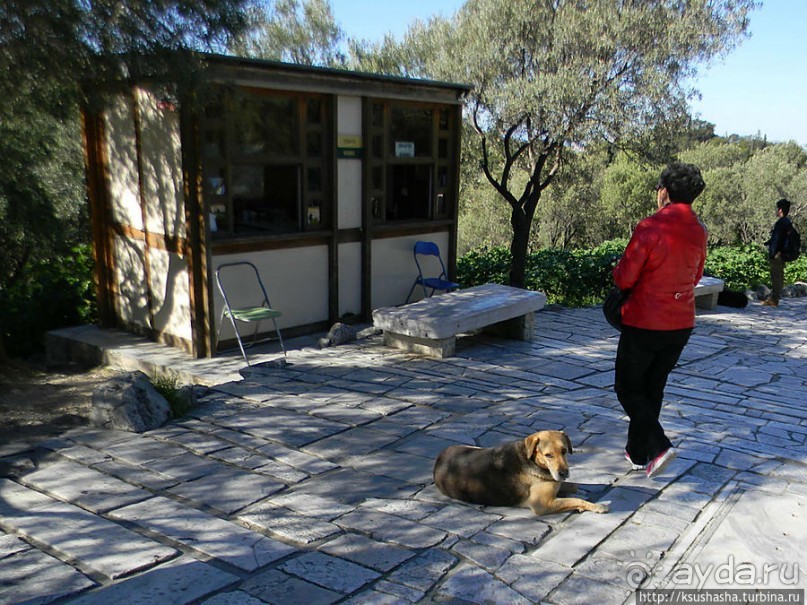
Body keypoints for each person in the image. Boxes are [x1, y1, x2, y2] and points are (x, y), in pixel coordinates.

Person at [612, 163, 707, 478]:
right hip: (681, 324)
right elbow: (694, 278)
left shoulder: (650, 227)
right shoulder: (699, 230)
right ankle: (638, 453)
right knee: (652, 387)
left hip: (645, 320)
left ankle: (659, 445)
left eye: (658, 188)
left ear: (664, 191)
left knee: (627, 387)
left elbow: (625, 278)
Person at [762, 198, 792, 307]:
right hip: (783, 253)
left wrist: (772, 252)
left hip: (777, 254)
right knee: (779, 275)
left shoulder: (781, 223)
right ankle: (775, 298)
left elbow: (777, 238)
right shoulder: (788, 222)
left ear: (780, 210)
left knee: (776, 276)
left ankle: (774, 299)